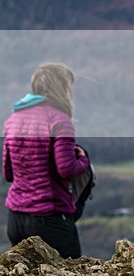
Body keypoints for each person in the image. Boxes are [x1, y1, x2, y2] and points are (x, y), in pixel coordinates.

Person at [3, 62, 90, 258]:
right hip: (49, 219)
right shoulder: (59, 121)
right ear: (61, 88)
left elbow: (8, 172)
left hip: (16, 219)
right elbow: (66, 169)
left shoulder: (13, 119)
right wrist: (83, 161)